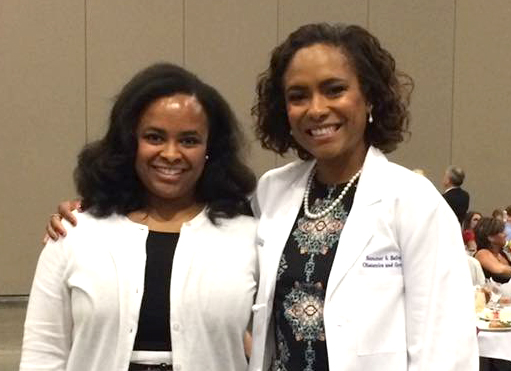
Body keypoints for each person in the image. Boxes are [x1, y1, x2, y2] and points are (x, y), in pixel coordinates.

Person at [249, 23, 478, 370]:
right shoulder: (272, 190)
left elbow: (444, 348)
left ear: (369, 97)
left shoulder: (413, 201)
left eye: (334, 89)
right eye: (298, 96)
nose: (316, 109)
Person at [21, 63, 258, 371]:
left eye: (189, 140)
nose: (171, 154)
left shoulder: (248, 238)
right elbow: (43, 353)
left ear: (209, 149)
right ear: (130, 142)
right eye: (155, 137)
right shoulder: (75, 233)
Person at [474, 217, 511, 283]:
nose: (505, 234)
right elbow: (499, 269)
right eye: (502, 232)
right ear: (490, 237)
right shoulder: (482, 253)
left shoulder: (502, 253)